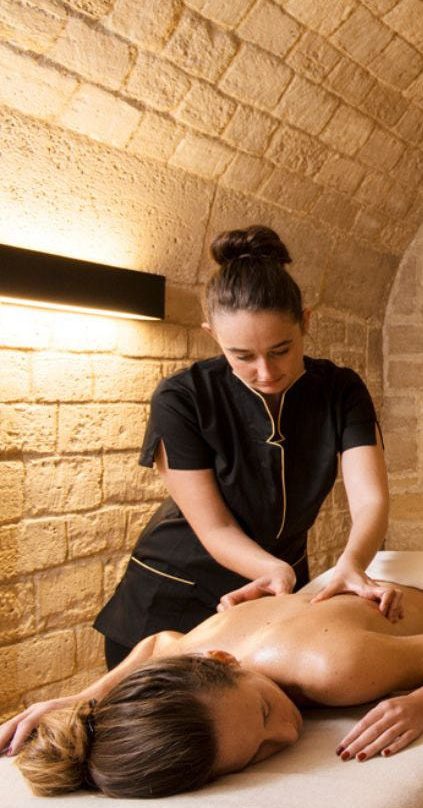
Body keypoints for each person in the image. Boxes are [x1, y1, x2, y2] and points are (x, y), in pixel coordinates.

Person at [3, 527, 423, 799]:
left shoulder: (334, 671)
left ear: (223, 660)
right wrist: (83, 701)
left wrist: (420, 705)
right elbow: (155, 646)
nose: (287, 733)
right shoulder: (191, 658)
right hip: (360, 581)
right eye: (259, 752)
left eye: (266, 711)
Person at [93, 225, 397, 671]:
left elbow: (370, 498)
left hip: (276, 593)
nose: (266, 371)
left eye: (281, 350)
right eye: (243, 356)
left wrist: (352, 563)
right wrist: (274, 570)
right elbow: (214, 527)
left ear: (305, 321)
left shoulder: (341, 390)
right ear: (212, 334)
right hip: (173, 599)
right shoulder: (182, 398)